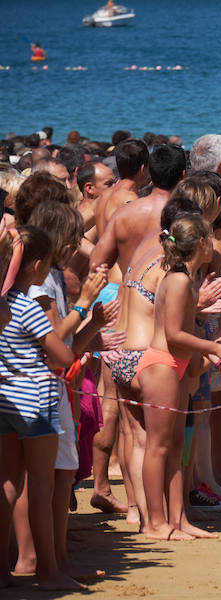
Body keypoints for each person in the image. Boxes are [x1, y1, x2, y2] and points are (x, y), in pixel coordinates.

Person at [136, 214, 221, 540]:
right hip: (161, 365)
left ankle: (178, 519)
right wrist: (215, 348)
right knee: (159, 447)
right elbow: (173, 334)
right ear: (201, 242)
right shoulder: (180, 280)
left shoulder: (185, 277)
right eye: (210, 237)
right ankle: (155, 523)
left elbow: (187, 328)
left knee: (176, 449)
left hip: (178, 366)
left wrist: (209, 355)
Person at [0, 226, 82, 591]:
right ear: (36, 266)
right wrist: (84, 320)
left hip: (4, 397)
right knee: (41, 485)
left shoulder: (3, 304)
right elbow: (62, 356)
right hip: (36, 398)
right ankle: (47, 570)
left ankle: (3, 567)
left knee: (7, 483)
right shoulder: (24, 305)